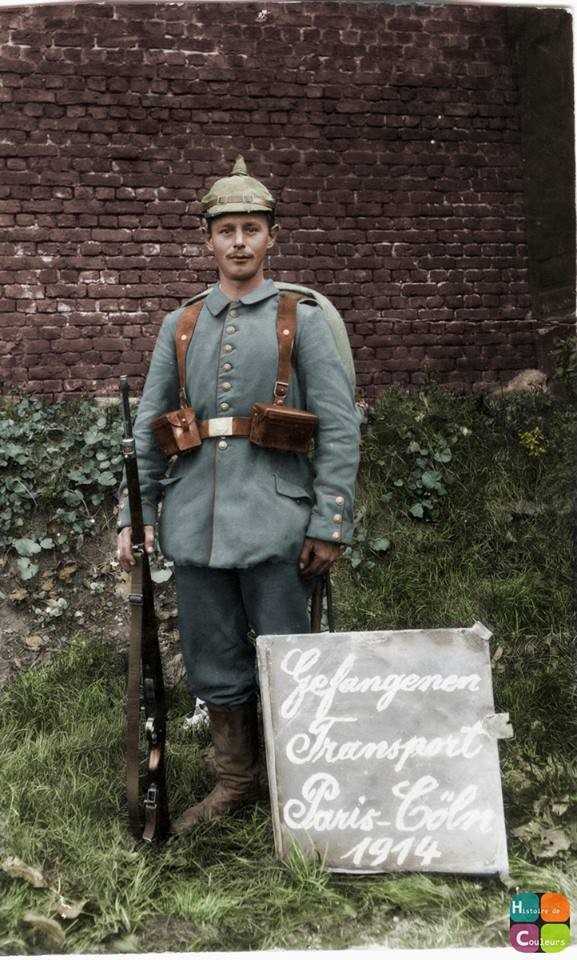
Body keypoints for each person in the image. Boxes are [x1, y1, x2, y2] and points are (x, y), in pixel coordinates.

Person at [116, 156, 360, 835]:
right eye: (226, 231)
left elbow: (339, 426)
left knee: (288, 655)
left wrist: (329, 521)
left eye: (252, 229)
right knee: (213, 656)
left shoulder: (299, 317)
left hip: (276, 518)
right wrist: (136, 515)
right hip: (195, 520)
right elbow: (150, 426)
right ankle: (236, 780)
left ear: (271, 236)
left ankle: (298, 781)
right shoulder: (182, 323)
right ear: (207, 241)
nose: (239, 242)